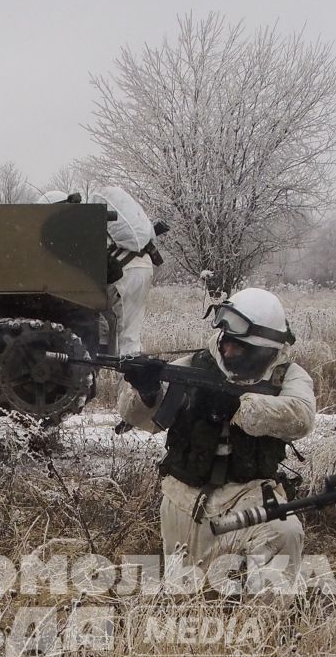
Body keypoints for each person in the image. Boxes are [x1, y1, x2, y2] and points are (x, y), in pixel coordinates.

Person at [117, 287, 316, 587]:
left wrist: (240, 406)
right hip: (183, 498)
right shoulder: (194, 366)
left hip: (246, 496)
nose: (226, 350)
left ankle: (265, 626)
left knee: (284, 533)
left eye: (238, 346)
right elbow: (139, 418)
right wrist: (146, 391)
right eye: (226, 341)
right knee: (189, 595)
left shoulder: (287, 376)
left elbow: (301, 417)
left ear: (262, 349)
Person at [42, 187, 165, 354]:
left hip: (125, 273)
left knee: (125, 339)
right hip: (140, 266)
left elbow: (108, 271)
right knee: (126, 334)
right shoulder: (91, 221)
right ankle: (113, 363)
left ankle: (135, 375)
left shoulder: (74, 229)